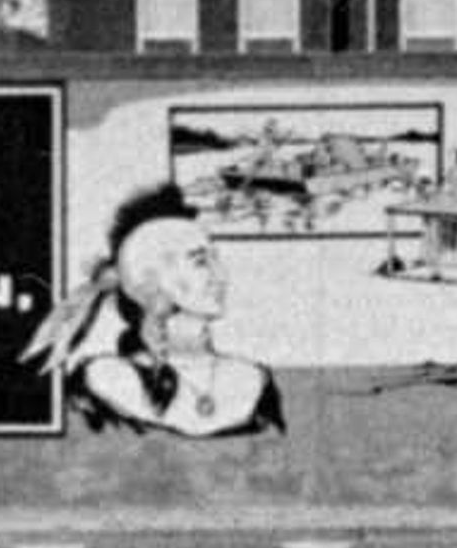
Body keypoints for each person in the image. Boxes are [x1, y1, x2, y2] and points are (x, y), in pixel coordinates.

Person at [21, 186, 284, 438]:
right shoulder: (109, 378)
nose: (221, 276)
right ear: (152, 282)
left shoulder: (251, 379)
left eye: (216, 259)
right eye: (201, 261)